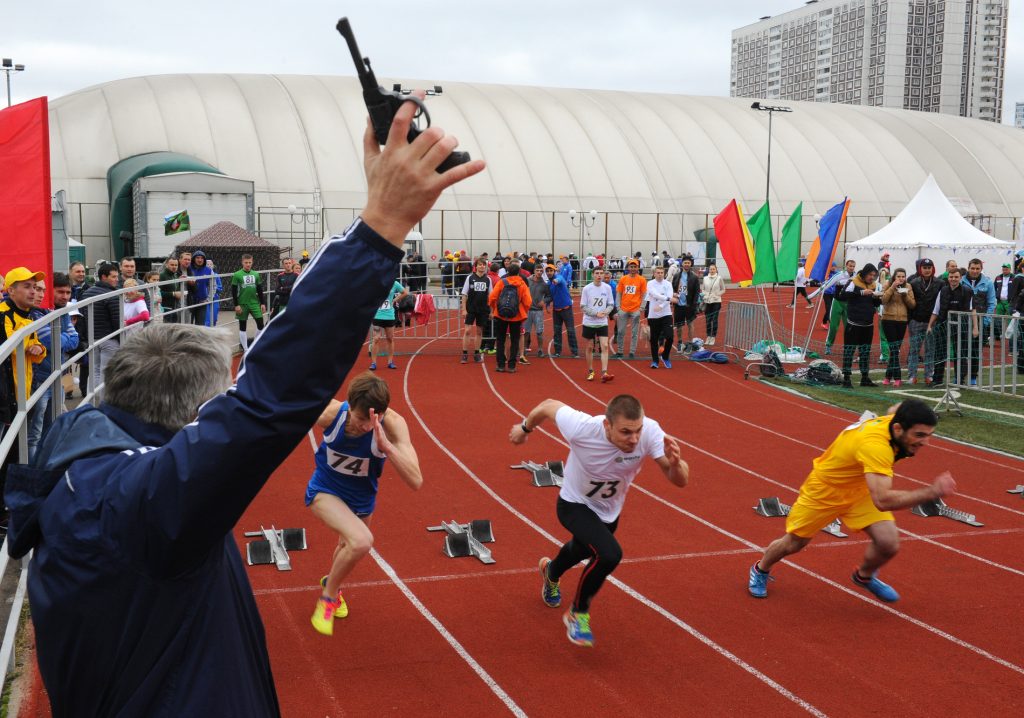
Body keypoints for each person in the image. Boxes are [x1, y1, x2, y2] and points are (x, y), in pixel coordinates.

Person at [3, 90, 484, 715]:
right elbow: (269, 397)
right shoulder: (145, 506)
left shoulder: (83, 469)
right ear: (190, 415)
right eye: (217, 402)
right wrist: (381, 227)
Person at [510, 395, 688, 646]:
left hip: (608, 512)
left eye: (637, 431)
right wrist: (524, 428)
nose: (634, 439)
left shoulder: (650, 432)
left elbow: (680, 480)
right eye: (626, 432)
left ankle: (551, 571)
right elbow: (548, 405)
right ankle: (578, 614)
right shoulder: (582, 428)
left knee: (580, 549)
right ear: (607, 425)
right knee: (609, 554)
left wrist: (676, 464)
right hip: (574, 504)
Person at [749, 400, 955, 603]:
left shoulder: (897, 420)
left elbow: (897, 407)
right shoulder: (875, 447)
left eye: (929, 435)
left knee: (888, 543)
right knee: (794, 543)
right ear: (898, 428)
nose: (925, 442)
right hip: (826, 491)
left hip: (860, 489)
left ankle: (863, 576)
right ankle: (760, 569)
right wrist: (931, 492)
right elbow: (883, 500)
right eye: (919, 435)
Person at [307, 373, 422, 635]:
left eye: (373, 420)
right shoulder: (330, 414)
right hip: (325, 490)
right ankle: (328, 598)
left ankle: (330, 584)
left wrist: (387, 447)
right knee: (361, 541)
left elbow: (416, 481)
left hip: (361, 498)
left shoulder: (393, 424)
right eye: (360, 419)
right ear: (348, 406)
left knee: (348, 546)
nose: (365, 427)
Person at [26, 273, 78, 461]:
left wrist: (61, 339)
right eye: (60, 292)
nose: (65, 297)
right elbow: (51, 341)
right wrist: (62, 338)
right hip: (39, 379)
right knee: (34, 433)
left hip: (56, 376)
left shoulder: (62, 312)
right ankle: (33, 473)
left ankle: (46, 468)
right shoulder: (36, 313)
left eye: (68, 292)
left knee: (52, 428)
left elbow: (74, 340)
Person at [928, 266, 978, 386]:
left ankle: (959, 379)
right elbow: (936, 310)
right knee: (940, 353)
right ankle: (937, 379)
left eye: (956, 277)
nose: (953, 279)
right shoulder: (943, 290)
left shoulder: (967, 291)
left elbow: (973, 310)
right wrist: (930, 325)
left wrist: (975, 327)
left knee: (960, 353)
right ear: (948, 278)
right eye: (951, 277)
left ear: (961, 278)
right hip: (943, 326)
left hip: (962, 326)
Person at [835, 263, 880, 388]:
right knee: (849, 350)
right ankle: (847, 379)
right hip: (853, 323)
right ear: (865, 273)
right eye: (870, 274)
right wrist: (861, 292)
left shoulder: (874, 285)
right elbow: (842, 295)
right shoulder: (853, 282)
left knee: (865, 351)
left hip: (868, 324)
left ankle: (865, 378)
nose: (872, 277)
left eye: (874, 275)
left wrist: (878, 298)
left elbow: (874, 303)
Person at [80, 262, 122, 392]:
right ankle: (103, 405)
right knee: (106, 373)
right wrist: (121, 339)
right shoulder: (113, 295)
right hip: (109, 339)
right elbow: (117, 321)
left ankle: (89, 402)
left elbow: (82, 315)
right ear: (104, 277)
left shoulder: (86, 293)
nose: (117, 280)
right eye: (114, 277)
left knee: (93, 372)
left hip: (93, 338)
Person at [488, 261, 531, 374]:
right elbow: (528, 301)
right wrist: (522, 311)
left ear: (507, 271)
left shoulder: (502, 282)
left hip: (501, 315)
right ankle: (512, 365)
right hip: (516, 316)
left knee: (500, 340)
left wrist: (495, 308)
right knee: (515, 340)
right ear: (518, 273)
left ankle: (501, 365)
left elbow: (492, 297)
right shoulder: (522, 284)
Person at [906, 258, 941, 385]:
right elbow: (908, 301)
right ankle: (912, 376)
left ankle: (929, 375)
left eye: (929, 268)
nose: (927, 270)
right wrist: (909, 320)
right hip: (916, 321)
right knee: (914, 349)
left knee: (930, 350)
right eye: (924, 268)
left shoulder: (939, 283)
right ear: (920, 269)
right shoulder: (913, 282)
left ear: (933, 269)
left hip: (932, 323)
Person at [962, 258, 995, 385]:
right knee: (962, 351)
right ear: (968, 268)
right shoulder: (961, 281)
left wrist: (985, 321)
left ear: (981, 269)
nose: (975, 271)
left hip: (981, 323)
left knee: (976, 351)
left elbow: (992, 303)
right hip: (963, 322)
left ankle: (973, 378)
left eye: (977, 268)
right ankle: (959, 377)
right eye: (972, 268)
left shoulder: (988, 283)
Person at [879, 268, 915, 386]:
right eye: (898, 276)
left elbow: (912, 304)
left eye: (903, 276)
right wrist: (892, 288)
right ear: (894, 277)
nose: (901, 278)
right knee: (894, 349)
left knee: (895, 350)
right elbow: (883, 300)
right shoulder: (887, 284)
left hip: (902, 321)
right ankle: (897, 377)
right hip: (888, 319)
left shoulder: (908, 287)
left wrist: (905, 295)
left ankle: (888, 376)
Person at [580, 269, 615, 382]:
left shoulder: (607, 288)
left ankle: (604, 372)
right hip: (589, 321)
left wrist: (605, 312)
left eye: (601, 273)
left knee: (604, 346)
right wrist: (595, 313)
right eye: (597, 274)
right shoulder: (587, 288)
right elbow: (583, 306)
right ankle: (591, 370)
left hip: (602, 322)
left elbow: (611, 304)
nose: (599, 276)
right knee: (590, 347)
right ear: (593, 275)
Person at [369, 278, 407, 371]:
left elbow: (405, 293)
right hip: (377, 315)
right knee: (376, 339)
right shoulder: (374, 282)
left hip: (389, 315)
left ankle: (390, 362)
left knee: (390, 338)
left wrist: (394, 300)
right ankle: (373, 363)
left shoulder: (394, 283)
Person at [231, 254, 266, 351]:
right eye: (246, 262)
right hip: (242, 304)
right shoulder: (237, 274)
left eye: (250, 262)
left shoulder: (256, 274)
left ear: (252, 262)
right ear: (242, 262)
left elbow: (259, 289)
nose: (248, 264)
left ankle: (254, 344)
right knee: (243, 326)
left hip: (254, 303)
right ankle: (246, 349)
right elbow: (233, 291)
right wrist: (236, 305)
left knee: (260, 324)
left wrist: (262, 303)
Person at [460, 258, 491, 364]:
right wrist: (464, 309)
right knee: (467, 331)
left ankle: (477, 353)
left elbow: (490, 296)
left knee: (479, 331)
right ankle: (464, 354)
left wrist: (491, 311)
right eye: (480, 264)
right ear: (476, 266)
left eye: (484, 265)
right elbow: (464, 294)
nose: (482, 266)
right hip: (471, 309)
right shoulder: (470, 278)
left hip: (482, 310)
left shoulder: (488, 279)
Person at [824, 259, 857, 355]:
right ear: (846, 266)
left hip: (848, 304)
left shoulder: (856, 277)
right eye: (850, 266)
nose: (851, 268)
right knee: (833, 326)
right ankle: (828, 346)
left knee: (848, 327)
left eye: (853, 266)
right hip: (837, 302)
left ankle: (848, 347)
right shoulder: (839, 275)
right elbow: (828, 284)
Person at [615, 259, 646, 359]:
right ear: (628, 268)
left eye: (635, 267)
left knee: (634, 332)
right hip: (623, 309)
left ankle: (632, 352)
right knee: (620, 331)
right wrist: (618, 307)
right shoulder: (623, 279)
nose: (633, 268)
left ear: (638, 268)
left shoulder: (642, 280)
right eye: (631, 267)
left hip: (635, 309)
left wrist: (641, 308)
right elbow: (619, 293)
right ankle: (620, 351)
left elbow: (644, 294)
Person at [547, 263, 579, 359]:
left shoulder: (559, 277)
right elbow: (549, 296)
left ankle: (575, 351)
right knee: (557, 331)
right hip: (556, 310)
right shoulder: (548, 284)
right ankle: (557, 351)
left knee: (570, 330)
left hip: (566, 309)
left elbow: (560, 279)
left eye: (551, 270)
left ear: (554, 271)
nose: (549, 272)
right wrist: (548, 305)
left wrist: (556, 280)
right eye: (547, 271)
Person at [644, 265, 674, 368]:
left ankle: (665, 357)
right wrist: (667, 298)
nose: (660, 274)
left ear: (664, 273)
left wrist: (661, 305)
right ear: (654, 273)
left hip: (666, 314)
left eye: (662, 273)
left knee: (670, 337)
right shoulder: (650, 284)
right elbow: (655, 294)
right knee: (653, 339)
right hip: (653, 315)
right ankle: (655, 361)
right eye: (658, 273)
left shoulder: (668, 284)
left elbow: (669, 297)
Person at [521, 264, 551, 362]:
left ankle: (540, 350)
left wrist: (545, 301)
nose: (539, 272)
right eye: (537, 270)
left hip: (538, 311)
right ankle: (524, 349)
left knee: (539, 332)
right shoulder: (527, 280)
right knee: (526, 332)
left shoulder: (544, 284)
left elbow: (549, 296)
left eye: (541, 271)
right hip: (527, 310)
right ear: (534, 271)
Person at [671, 254, 701, 349]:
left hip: (689, 305)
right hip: (679, 305)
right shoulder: (676, 276)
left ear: (691, 264)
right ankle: (680, 342)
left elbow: (697, 292)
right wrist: (674, 295)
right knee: (679, 325)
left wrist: (694, 304)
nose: (687, 264)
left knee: (690, 324)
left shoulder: (694, 277)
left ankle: (690, 343)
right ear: (682, 264)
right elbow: (672, 289)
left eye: (688, 263)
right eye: (685, 263)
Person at [189, 250, 221, 326]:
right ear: (194, 259)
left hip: (202, 301)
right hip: (189, 301)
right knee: (188, 325)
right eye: (197, 258)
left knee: (201, 325)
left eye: (202, 258)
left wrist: (208, 299)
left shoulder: (209, 270)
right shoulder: (188, 268)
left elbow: (213, 286)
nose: (200, 260)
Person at [993, 263, 1022, 341]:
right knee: (998, 319)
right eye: (1003, 268)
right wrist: (996, 297)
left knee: (1010, 319)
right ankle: (1000, 334)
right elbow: (994, 288)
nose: (1004, 270)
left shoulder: (1014, 277)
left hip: (1009, 302)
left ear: (1010, 269)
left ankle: (1011, 336)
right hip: (1000, 301)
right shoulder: (998, 277)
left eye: (1006, 268)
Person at [701, 263, 725, 345]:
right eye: (710, 269)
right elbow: (703, 289)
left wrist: (717, 295)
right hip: (707, 301)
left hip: (716, 302)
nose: (712, 270)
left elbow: (723, 289)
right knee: (708, 320)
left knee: (714, 320)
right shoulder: (705, 278)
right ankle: (708, 336)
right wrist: (705, 295)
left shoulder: (719, 278)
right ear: (708, 270)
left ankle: (713, 337)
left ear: (716, 270)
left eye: (713, 269)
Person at [158, 256, 183, 322]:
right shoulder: (162, 276)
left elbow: (174, 289)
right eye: (172, 265)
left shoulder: (175, 275)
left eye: (176, 265)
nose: (174, 267)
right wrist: (173, 294)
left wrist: (179, 281)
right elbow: (158, 293)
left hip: (175, 307)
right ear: (166, 265)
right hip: (166, 308)